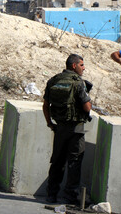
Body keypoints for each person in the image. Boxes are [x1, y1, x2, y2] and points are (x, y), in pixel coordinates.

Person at [43, 54, 92, 204]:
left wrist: (50, 123)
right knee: (74, 162)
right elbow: (87, 106)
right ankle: (70, 195)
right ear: (74, 66)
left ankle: (52, 194)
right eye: (81, 65)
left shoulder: (54, 80)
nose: (84, 68)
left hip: (59, 128)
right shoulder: (78, 83)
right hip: (75, 129)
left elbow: (45, 105)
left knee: (57, 161)